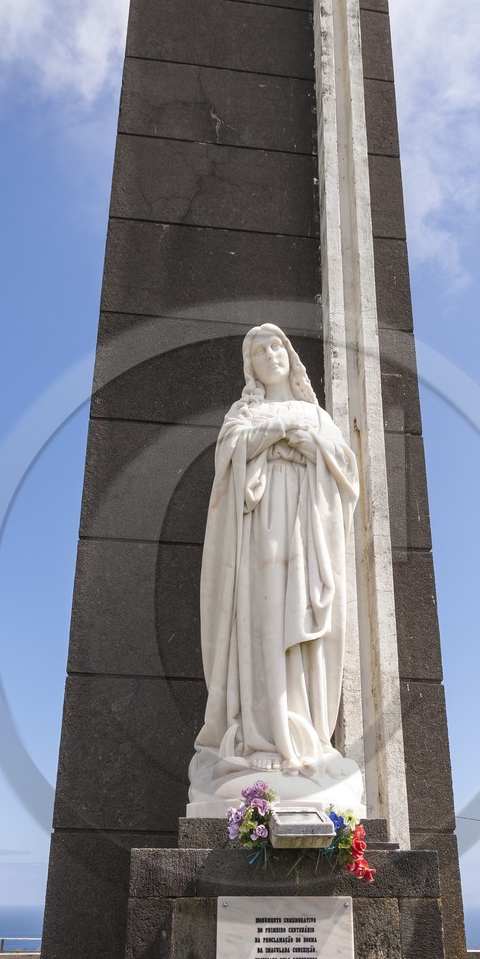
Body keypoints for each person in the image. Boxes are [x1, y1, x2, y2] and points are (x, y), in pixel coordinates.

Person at [187, 323, 365, 814]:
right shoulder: (243, 413)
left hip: (308, 532)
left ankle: (306, 739)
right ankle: (261, 739)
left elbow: (346, 473)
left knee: (303, 633)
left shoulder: (316, 415)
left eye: (276, 346)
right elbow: (230, 459)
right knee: (261, 624)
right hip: (259, 534)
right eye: (259, 351)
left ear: (289, 356)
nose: (270, 354)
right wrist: (279, 434)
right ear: (251, 368)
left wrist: (307, 446)